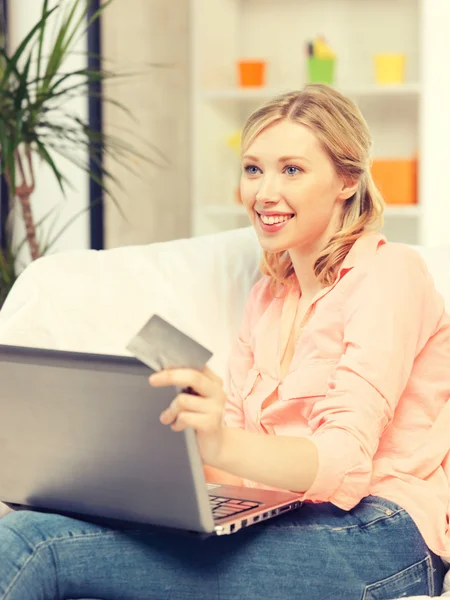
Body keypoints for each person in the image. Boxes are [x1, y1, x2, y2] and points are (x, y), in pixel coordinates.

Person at [0, 83, 449, 600]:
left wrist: (219, 442)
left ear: (347, 180)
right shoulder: (268, 298)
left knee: (37, 547)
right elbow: (236, 446)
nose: (264, 192)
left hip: (382, 534)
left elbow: (344, 461)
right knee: (43, 524)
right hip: (285, 520)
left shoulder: (390, 274)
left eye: (292, 170)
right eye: (253, 169)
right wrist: (146, 456)